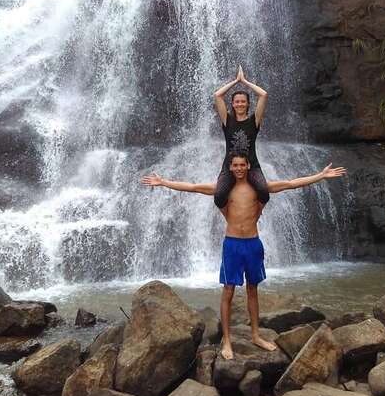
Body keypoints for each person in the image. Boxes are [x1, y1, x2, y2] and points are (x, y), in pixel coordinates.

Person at [141, 153, 347, 361]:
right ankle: (228, 341)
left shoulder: (259, 189)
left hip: (253, 244)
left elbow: (291, 183)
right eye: (235, 165)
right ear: (230, 168)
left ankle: (256, 335)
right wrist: (163, 182)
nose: (239, 168)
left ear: (249, 166)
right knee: (228, 290)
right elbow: (193, 187)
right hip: (232, 245)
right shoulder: (224, 189)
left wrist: (320, 176)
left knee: (252, 289)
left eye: (242, 164)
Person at [213, 66, 269, 209]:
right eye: (237, 101)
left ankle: (256, 214)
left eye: (243, 101)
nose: (240, 104)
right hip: (230, 166)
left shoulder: (254, 121)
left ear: (248, 103)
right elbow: (218, 95)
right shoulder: (227, 120)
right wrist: (235, 81)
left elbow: (263, 95)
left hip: (251, 165)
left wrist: (244, 81)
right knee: (219, 196)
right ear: (232, 104)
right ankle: (228, 216)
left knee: (263, 191)